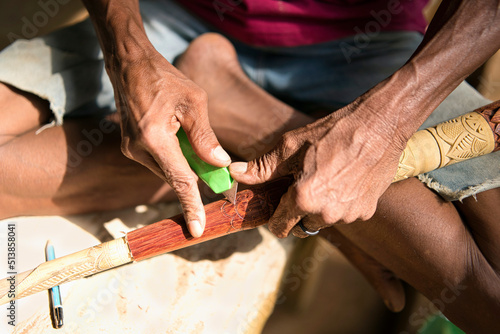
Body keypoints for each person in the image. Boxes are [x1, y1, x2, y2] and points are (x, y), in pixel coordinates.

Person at [0, 0, 499, 332]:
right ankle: (238, 122)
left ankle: (240, 110)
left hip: (373, 52)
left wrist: (380, 127)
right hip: (166, 22)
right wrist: (127, 54)